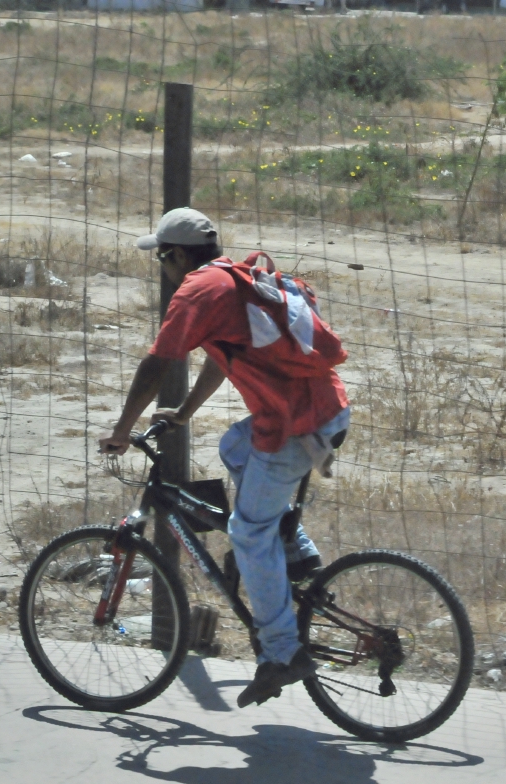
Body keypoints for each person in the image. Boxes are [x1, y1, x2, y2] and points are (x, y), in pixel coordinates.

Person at [98, 207, 350, 709]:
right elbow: (222, 354)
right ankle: (294, 548)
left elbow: (157, 362)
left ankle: (282, 653)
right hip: (318, 409)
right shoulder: (234, 281)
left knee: (247, 533)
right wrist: (187, 411)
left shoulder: (197, 289)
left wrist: (123, 429)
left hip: (296, 423)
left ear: (178, 255)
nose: (163, 269)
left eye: (163, 258)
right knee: (233, 446)